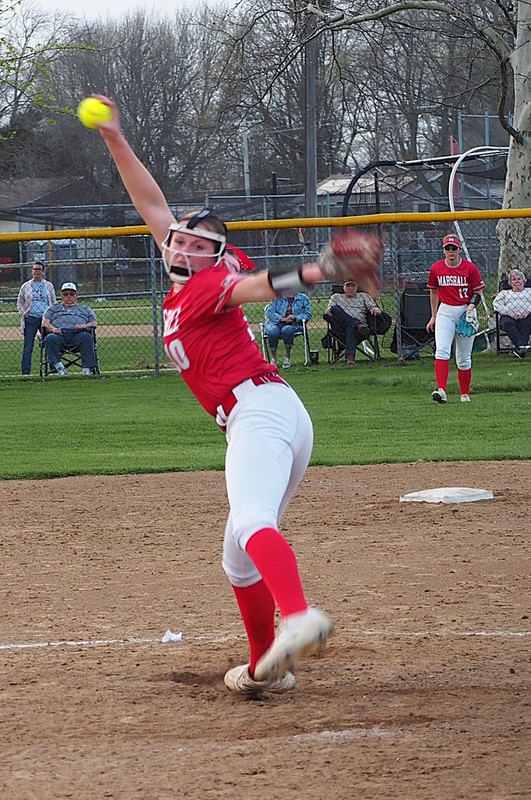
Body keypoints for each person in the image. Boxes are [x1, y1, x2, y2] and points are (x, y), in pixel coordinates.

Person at [91, 94, 333, 696]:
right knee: (238, 557)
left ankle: (299, 616)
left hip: (259, 413)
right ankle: (264, 670)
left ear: (214, 256)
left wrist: (314, 272)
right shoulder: (183, 276)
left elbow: (254, 287)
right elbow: (151, 203)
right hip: (276, 414)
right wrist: (115, 138)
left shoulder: (207, 285)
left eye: (201, 243)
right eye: (182, 239)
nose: (185, 246)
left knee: (250, 521)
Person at [427, 233, 485, 403]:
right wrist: (433, 316)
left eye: (454, 248)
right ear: (443, 250)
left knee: (464, 358)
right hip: (445, 310)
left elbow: (478, 292)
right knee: (442, 350)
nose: (451, 251)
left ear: (459, 249)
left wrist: (471, 307)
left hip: (465, 310)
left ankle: (464, 394)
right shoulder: (436, 268)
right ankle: (441, 390)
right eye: (447, 248)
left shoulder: (470, 268)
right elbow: (434, 291)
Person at [41, 283, 98, 376]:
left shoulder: (85, 309)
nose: (68, 296)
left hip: (78, 334)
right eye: (65, 294)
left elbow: (94, 323)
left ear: (76, 296)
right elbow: (45, 323)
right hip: (59, 334)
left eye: (71, 294)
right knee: (50, 338)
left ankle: (87, 369)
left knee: (87, 337)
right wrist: (53, 329)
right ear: (61, 296)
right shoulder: (53, 308)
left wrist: (83, 326)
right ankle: (59, 368)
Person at [324, 278, 383, 365]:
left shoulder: (363, 296)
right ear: (343, 287)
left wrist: (375, 308)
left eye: (353, 286)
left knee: (350, 327)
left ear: (357, 287)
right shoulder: (336, 297)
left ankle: (350, 358)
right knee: (334, 308)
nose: (350, 288)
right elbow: (329, 310)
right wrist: (328, 310)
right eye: (348, 286)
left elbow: (372, 307)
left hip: (360, 329)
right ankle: (357, 324)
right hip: (340, 327)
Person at [17, 261, 56, 375]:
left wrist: (52, 315)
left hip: (45, 319)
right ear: (32, 271)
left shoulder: (48, 285)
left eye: (39, 269)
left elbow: (53, 302)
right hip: (31, 318)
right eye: (35, 269)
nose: (37, 271)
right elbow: (20, 302)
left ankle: (53, 370)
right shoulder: (26, 286)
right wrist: (24, 313)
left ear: (43, 271)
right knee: (28, 347)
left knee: (49, 343)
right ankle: (26, 373)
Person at [263, 293, 312, 368]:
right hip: (275, 323)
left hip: (294, 324)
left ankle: (287, 357)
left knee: (287, 330)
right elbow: (269, 312)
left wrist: (295, 317)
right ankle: (274, 358)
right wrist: (281, 319)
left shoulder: (303, 298)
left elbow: (308, 314)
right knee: (272, 331)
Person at [493, 269, 531, 358]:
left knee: (528, 323)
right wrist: (508, 312)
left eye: (519, 279)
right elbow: (496, 303)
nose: (517, 281)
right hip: (509, 316)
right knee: (506, 323)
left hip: (527, 316)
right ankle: (521, 346)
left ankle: (520, 349)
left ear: (523, 281)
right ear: (510, 282)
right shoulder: (505, 293)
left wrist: (528, 310)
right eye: (514, 279)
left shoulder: (529, 291)